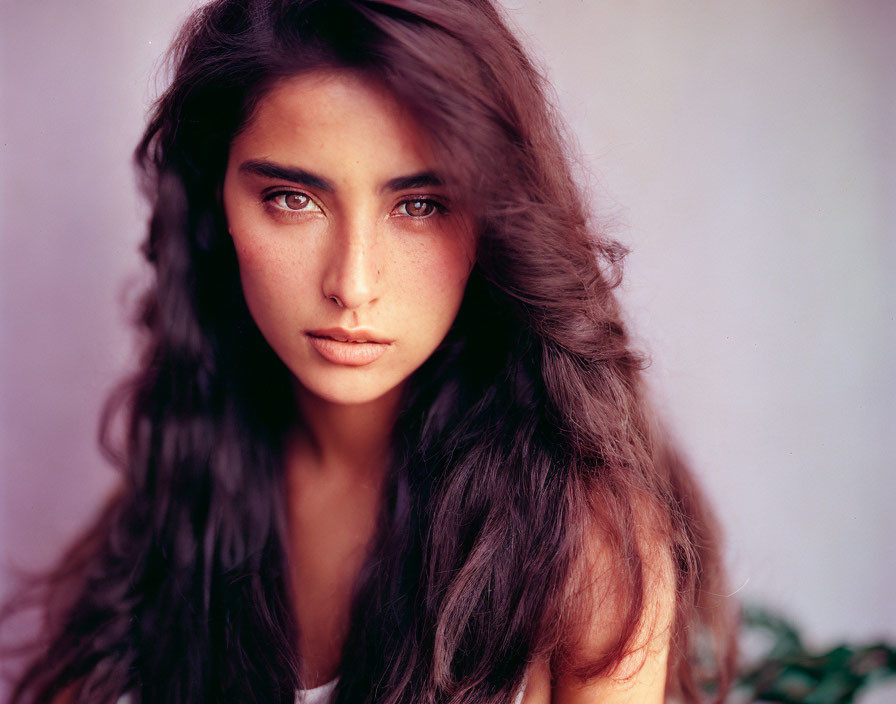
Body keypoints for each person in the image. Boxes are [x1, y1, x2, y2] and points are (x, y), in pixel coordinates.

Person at [0, 0, 738, 702]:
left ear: (497, 219)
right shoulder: (183, 484)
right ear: (214, 198)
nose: (352, 284)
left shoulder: (580, 542)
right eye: (293, 198)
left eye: (419, 206)